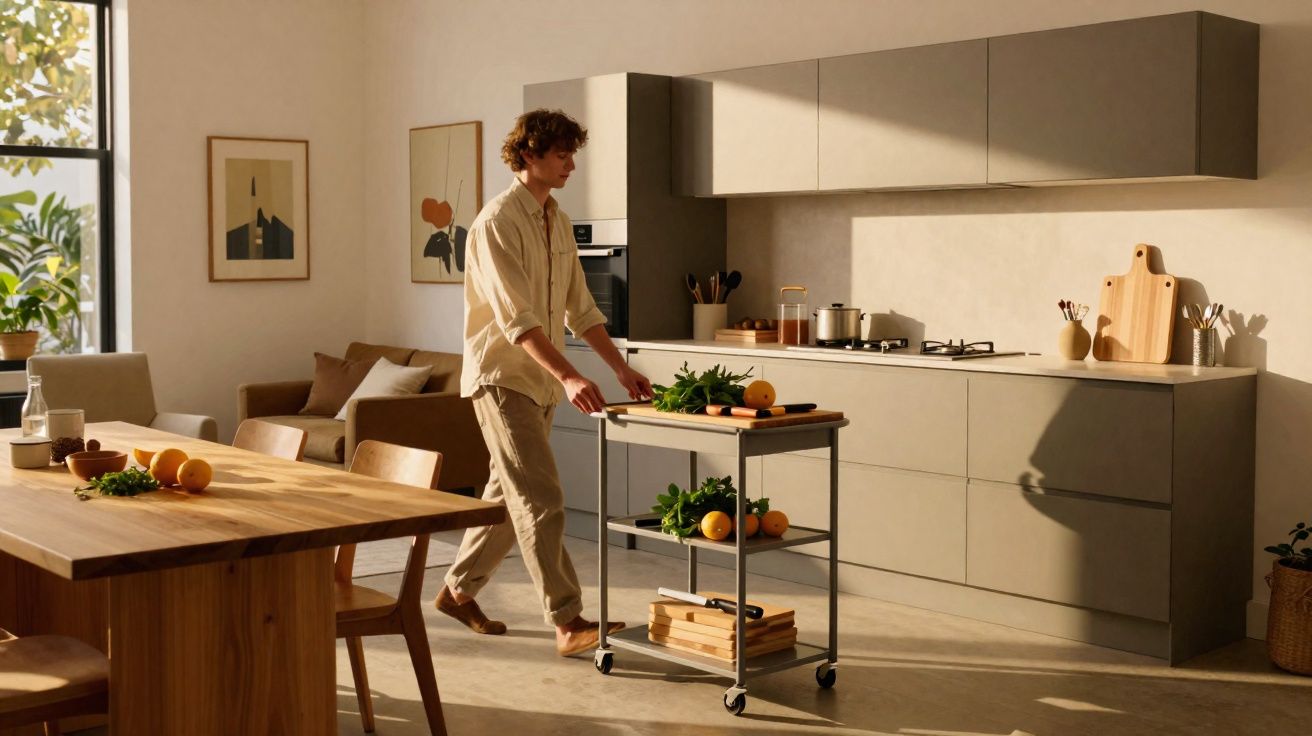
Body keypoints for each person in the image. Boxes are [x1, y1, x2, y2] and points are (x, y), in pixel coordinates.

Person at [435, 109, 654, 657]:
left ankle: (457, 592)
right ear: (529, 154)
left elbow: (581, 310)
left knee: (510, 497)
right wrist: (573, 374)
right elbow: (518, 322)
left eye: (572, 155)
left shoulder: (555, 219)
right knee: (542, 497)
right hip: (502, 378)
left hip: (542, 383)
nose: (571, 166)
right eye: (561, 155)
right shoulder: (494, 224)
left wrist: (619, 366)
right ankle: (568, 619)